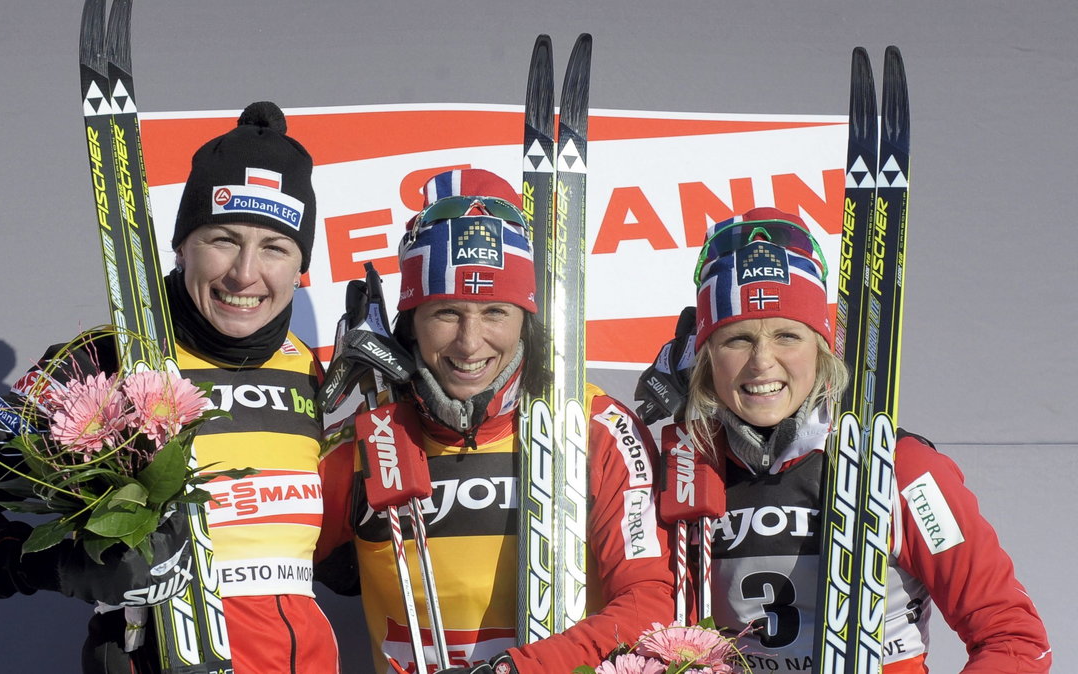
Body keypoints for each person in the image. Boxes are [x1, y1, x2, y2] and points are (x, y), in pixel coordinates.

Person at [0, 102, 338, 674]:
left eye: (274, 247)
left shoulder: (315, 374)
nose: (245, 273)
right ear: (181, 245)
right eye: (222, 239)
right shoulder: (100, 361)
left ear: (301, 264)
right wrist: (59, 567)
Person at [640, 207, 1051, 672]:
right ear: (706, 355)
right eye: (737, 340)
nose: (762, 361)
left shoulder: (902, 469)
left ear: (822, 347)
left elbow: (1012, 637)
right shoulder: (687, 470)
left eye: (787, 335)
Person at [315, 168, 676, 674]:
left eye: (494, 312)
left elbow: (650, 605)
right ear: (410, 323)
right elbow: (255, 561)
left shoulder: (596, 427)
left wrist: (519, 669)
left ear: (526, 318)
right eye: (445, 312)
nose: (469, 342)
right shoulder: (367, 439)